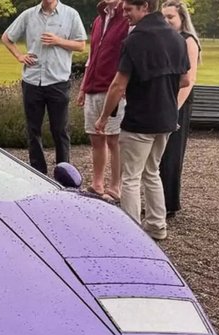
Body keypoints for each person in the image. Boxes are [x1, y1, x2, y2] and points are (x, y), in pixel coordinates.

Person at [94, 0, 190, 240]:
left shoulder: (135, 40)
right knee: (152, 172)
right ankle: (157, 226)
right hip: (167, 119)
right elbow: (185, 80)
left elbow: (118, 85)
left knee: (131, 177)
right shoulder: (178, 39)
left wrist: (104, 117)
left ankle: (130, 233)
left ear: (145, 7)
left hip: (140, 120)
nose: (124, 14)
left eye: (129, 9)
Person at [2, 0, 87, 175]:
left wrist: (58, 41)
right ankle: (37, 172)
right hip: (33, 81)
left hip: (58, 81)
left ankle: (64, 173)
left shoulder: (71, 14)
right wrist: (19, 56)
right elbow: (6, 37)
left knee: (60, 130)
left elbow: (81, 45)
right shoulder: (28, 15)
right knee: (33, 129)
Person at [78, 0, 130, 201]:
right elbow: (91, 56)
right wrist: (83, 87)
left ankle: (115, 187)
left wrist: (125, 85)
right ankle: (97, 183)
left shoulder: (126, 18)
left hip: (114, 88)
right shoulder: (99, 19)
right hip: (93, 86)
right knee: (95, 137)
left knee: (114, 138)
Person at [159, 0, 200, 218]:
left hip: (178, 103)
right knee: (158, 154)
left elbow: (189, 79)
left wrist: (173, 109)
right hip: (163, 101)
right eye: (163, 17)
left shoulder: (188, 41)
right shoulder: (165, 40)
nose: (166, 21)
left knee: (172, 153)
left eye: (171, 17)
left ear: (182, 18)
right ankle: (158, 202)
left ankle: (170, 203)